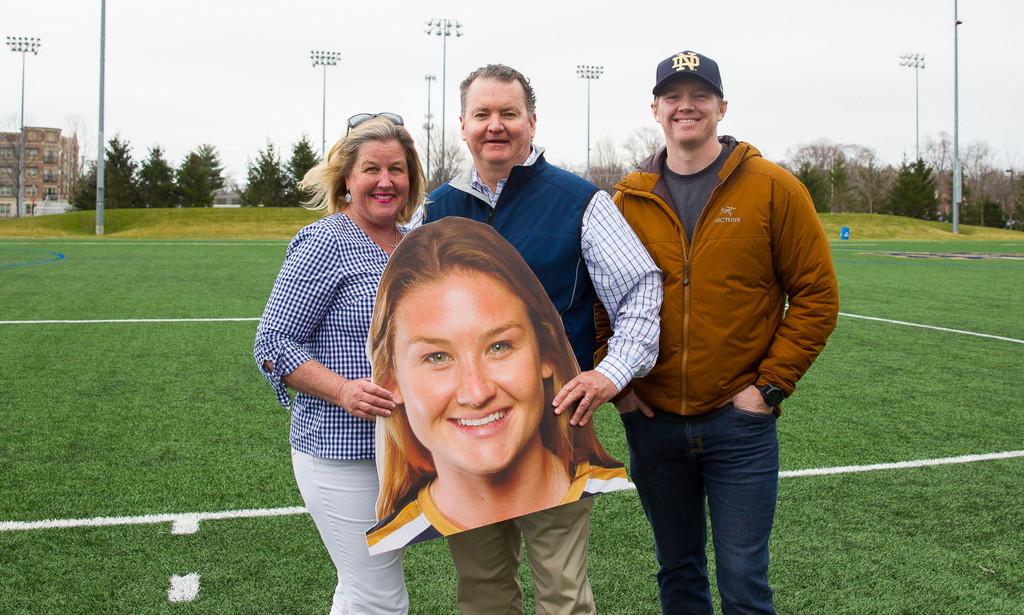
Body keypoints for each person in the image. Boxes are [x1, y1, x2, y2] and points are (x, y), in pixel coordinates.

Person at [597, 50, 840, 614]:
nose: (687, 106)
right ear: (655, 109)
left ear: (721, 107)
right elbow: (600, 303)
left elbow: (816, 296)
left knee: (743, 581)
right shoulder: (625, 202)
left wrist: (769, 388)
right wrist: (625, 390)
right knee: (678, 573)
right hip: (653, 425)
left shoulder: (775, 188)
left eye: (700, 95)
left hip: (740, 425)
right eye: (674, 97)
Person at [416, 64, 663, 615]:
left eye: (508, 113)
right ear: (462, 125)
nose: (495, 125)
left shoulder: (579, 199)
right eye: (482, 114)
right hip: (467, 430)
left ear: (531, 120)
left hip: (554, 428)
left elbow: (642, 291)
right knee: (482, 590)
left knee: (563, 593)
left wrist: (610, 373)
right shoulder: (435, 209)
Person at [365, 218, 630, 555]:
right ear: (390, 380)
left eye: (499, 347)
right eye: (436, 357)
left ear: (546, 351)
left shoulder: (602, 483)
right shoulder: (391, 544)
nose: (476, 393)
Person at [253, 113, 424, 615]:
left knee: (360, 589)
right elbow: (273, 343)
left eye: (397, 169)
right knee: (379, 597)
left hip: (408, 445)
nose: (385, 181)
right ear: (347, 178)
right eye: (372, 168)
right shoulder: (323, 241)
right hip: (340, 451)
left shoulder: (417, 241)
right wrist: (345, 390)